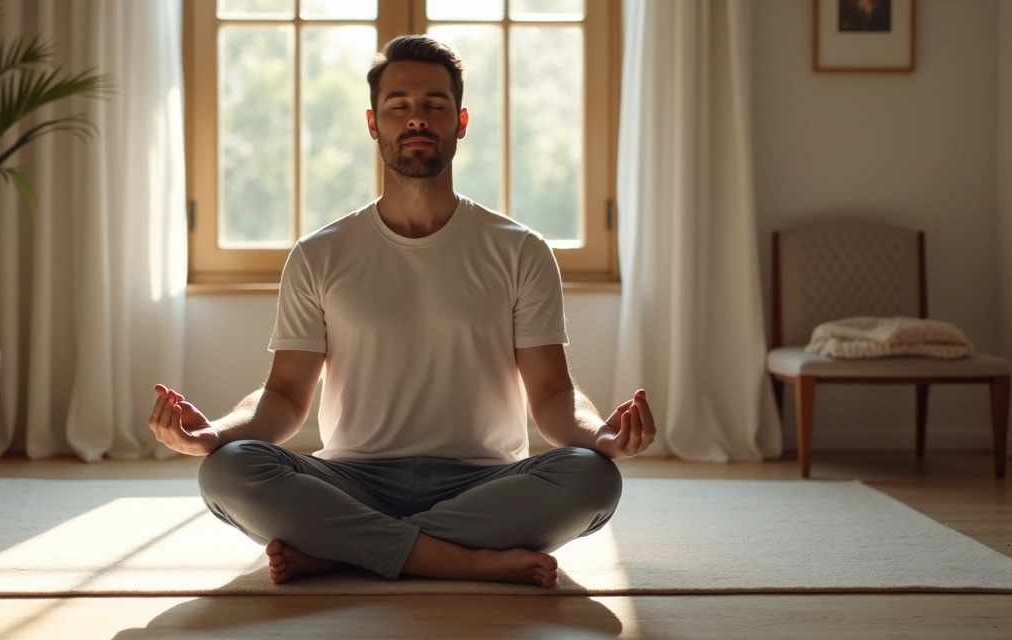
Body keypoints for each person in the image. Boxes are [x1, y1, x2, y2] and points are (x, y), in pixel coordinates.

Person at [149, 35, 656, 588]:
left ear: (461, 121)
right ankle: (454, 558)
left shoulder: (521, 250)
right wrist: (213, 433)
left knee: (592, 479)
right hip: (349, 478)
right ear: (374, 123)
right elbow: (285, 398)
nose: (417, 119)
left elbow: (554, 397)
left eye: (435, 105)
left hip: (485, 483)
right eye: (399, 106)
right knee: (227, 469)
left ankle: (345, 549)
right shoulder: (319, 254)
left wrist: (601, 435)